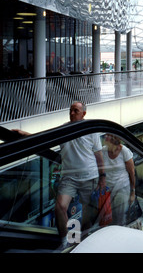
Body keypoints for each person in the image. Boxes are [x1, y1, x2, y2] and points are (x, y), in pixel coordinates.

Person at [14, 101, 105, 246]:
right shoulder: (64, 129)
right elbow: (45, 137)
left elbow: (99, 155)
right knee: (60, 207)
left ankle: (85, 242)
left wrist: (103, 177)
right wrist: (25, 134)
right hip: (69, 177)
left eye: (76, 110)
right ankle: (66, 241)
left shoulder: (91, 130)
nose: (72, 113)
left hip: (89, 176)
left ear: (84, 114)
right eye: (71, 110)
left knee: (88, 211)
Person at [102, 134, 136, 226]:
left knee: (119, 215)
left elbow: (132, 172)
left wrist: (133, 192)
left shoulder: (124, 151)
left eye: (107, 137)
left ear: (113, 141)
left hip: (122, 187)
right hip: (108, 188)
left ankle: (120, 233)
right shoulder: (104, 150)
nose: (105, 138)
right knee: (109, 215)